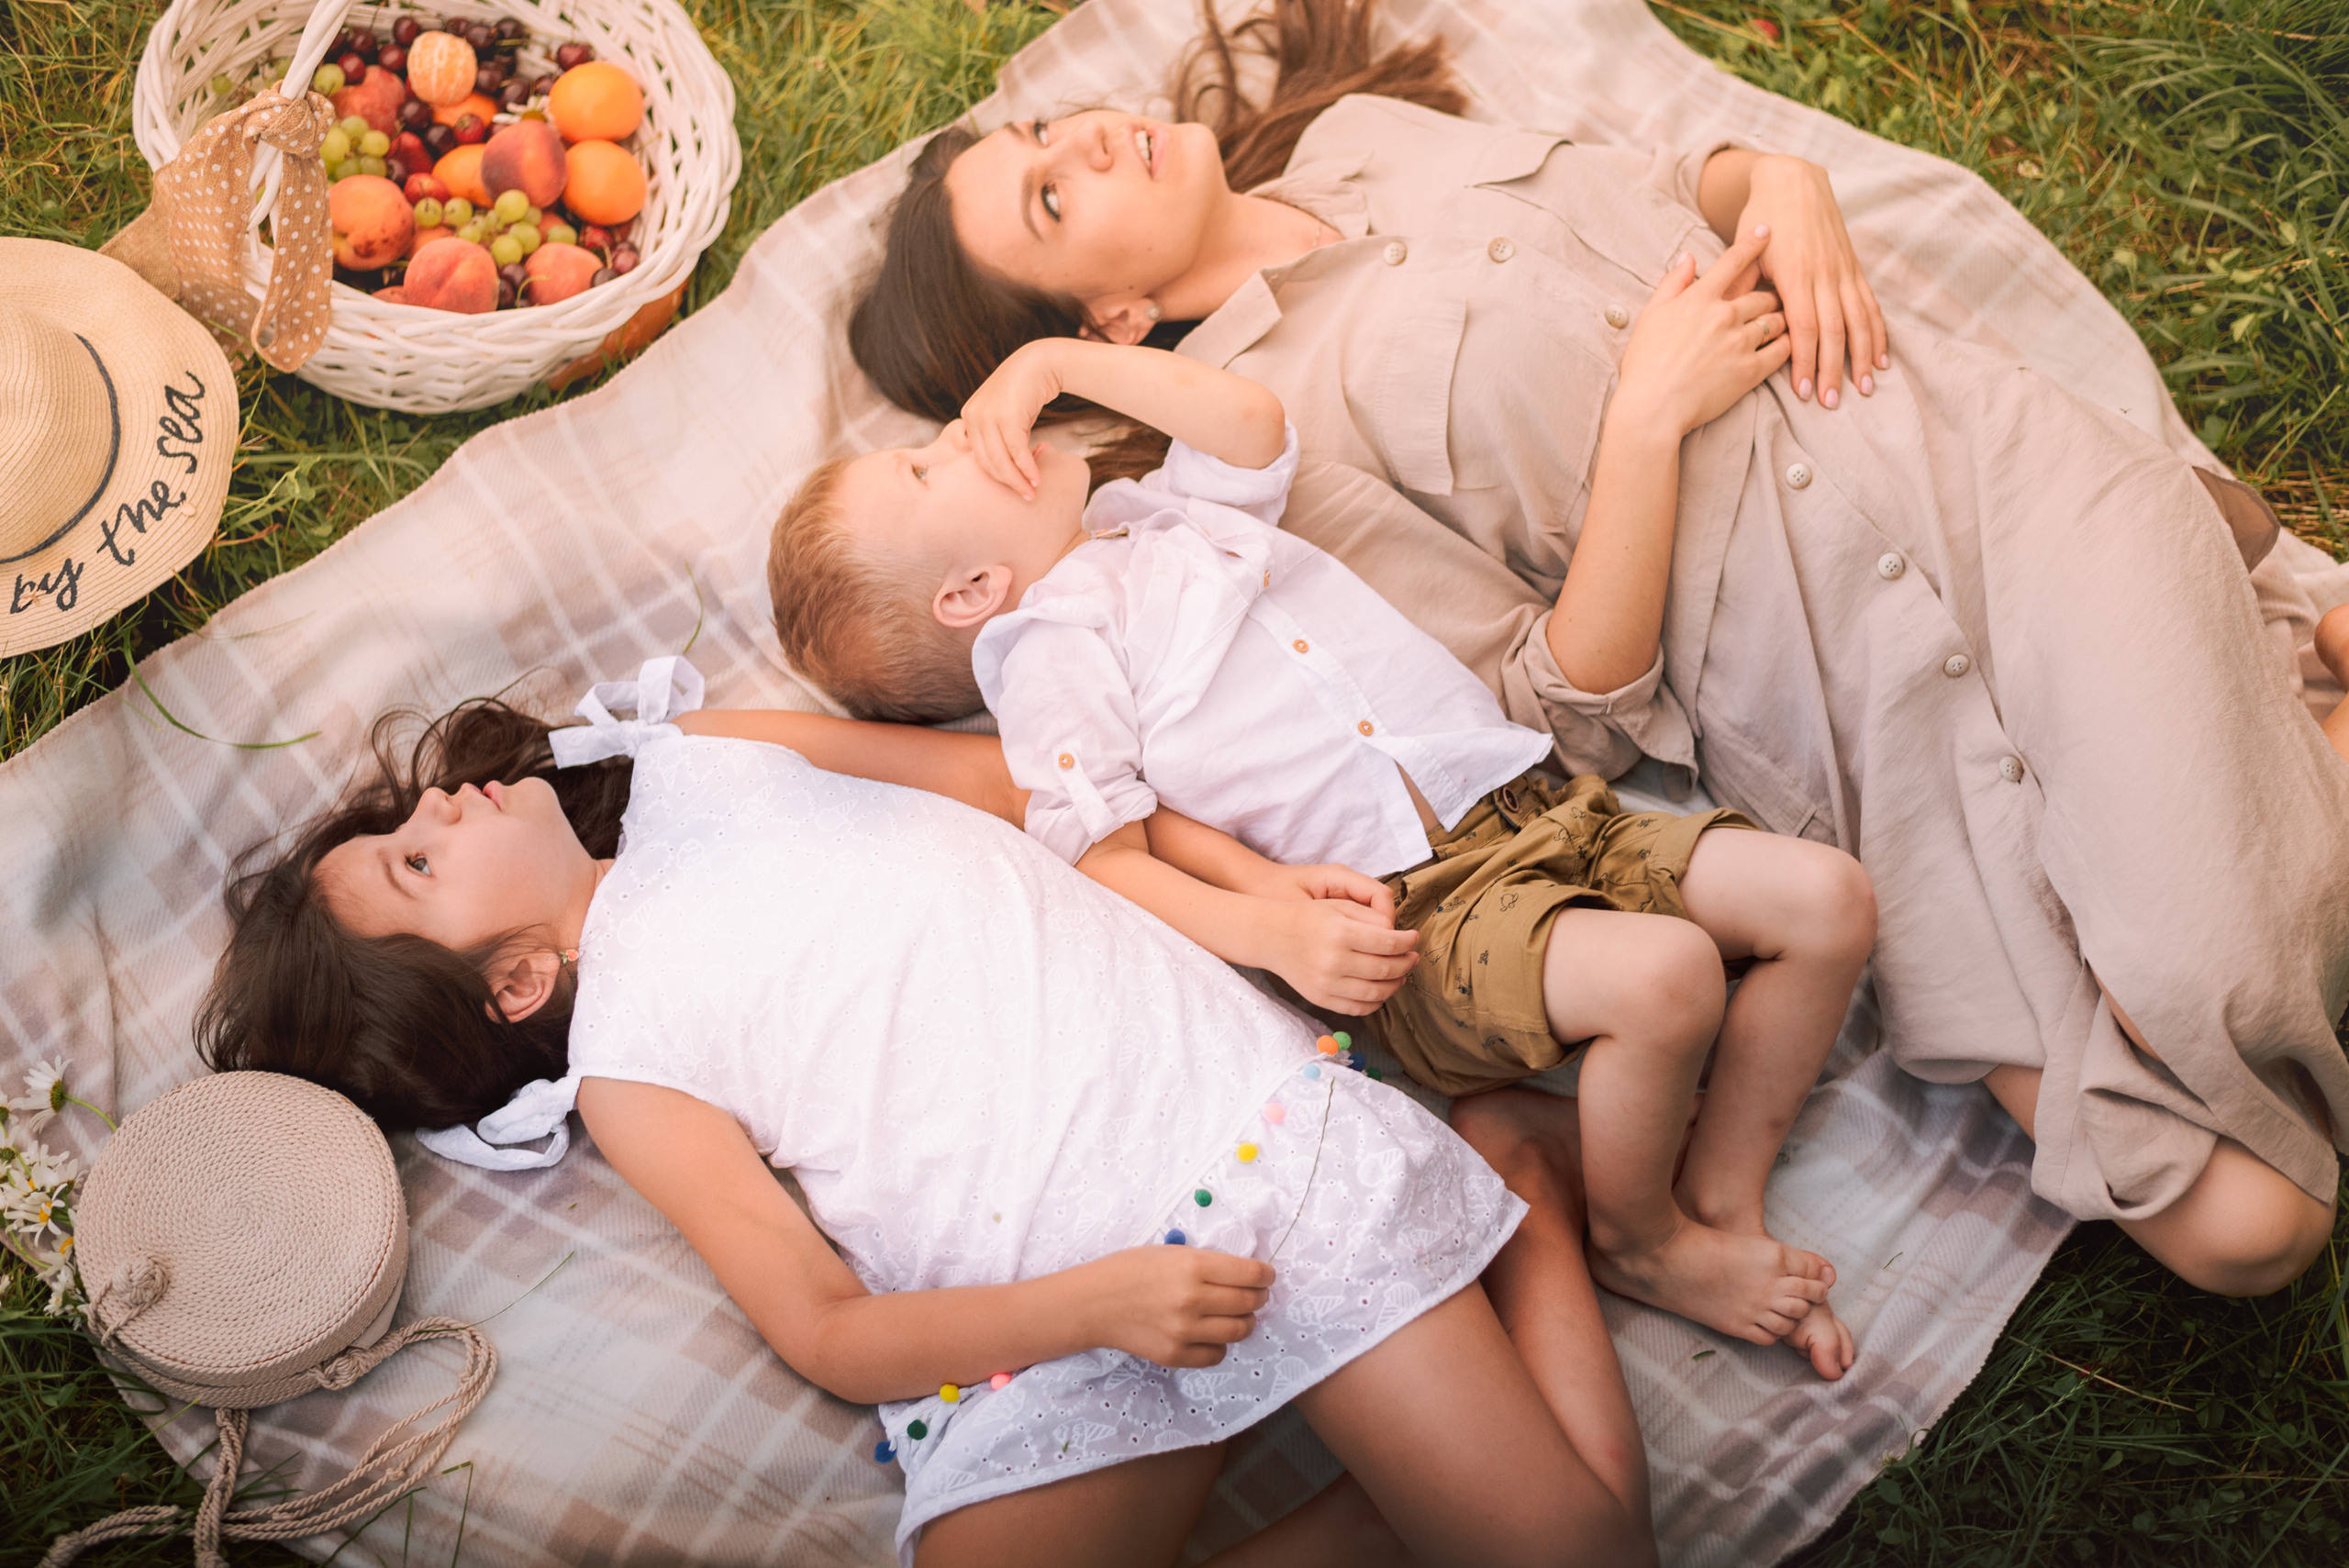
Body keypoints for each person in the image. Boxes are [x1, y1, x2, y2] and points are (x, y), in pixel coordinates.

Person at [842, 0, 2348, 1291]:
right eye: (1048, 198)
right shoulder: (1259, 460)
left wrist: (1787, 184)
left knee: (2192, 982)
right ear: (1102, 312)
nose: (1086, 143)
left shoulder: (1367, 133)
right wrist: (1645, 418)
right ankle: (2278, 672)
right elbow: (1556, 705)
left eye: (1051, 135)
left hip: (1960, 471)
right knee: (2244, 1223)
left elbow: (1670, 180)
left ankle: (2224, 651)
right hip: (1838, 700)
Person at [195, 664, 1653, 1568]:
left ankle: (1517, 1195)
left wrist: (1248, 906)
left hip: (1220, 1140)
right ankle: (1426, 1417)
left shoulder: (701, 762)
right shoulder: (635, 1071)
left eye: (407, 822)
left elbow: (1020, 791)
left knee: (1581, 1553)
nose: (438, 808)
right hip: (1043, 1314)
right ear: (517, 983)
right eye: (415, 861)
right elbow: (826, 1329)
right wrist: (1097, 1307)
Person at [768, 328, 1874, 1380]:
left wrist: (1049, 361)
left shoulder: (1152, 514)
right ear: (969, 595)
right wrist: (1274, 930)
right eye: (921, 470)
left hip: (1526, 801)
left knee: (1826, 898)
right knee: (1668, 980)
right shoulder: (1051, 652)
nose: (956, 436)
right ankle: (1639, 1240)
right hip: (1413, 912)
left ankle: (1720, 1199)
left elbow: (1248, 419)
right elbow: (1107, 857)